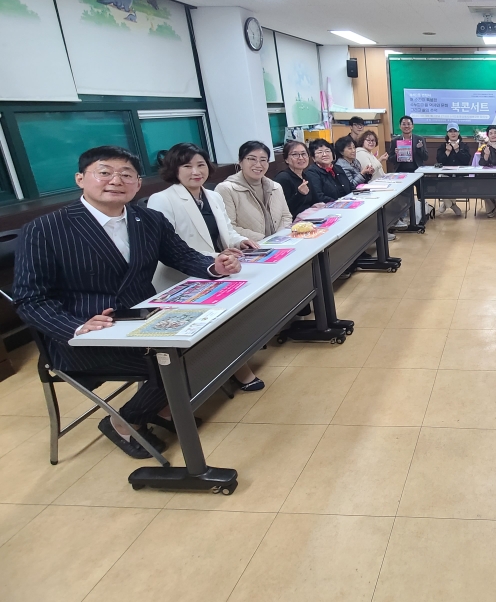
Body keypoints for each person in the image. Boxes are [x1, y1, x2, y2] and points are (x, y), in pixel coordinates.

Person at [12, 146, 242, 458]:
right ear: (81, 179)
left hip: (143, 319)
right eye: (104, 172)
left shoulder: (148, 219)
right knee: (176, 363)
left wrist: (215, 267)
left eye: (127, 174)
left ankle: (159, 411)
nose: (116, 180)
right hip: (86, 335)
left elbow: (182, 256)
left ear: (137, 184)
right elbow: (30, 299)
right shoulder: (45, 229)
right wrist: (75, 326)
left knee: (212, 343)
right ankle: (122, 423)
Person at [147, 144, 265, 393]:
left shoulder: (212, 196)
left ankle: (231, 364)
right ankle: (232, 369)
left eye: (200, 164)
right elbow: (172, 248)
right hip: (180, 277)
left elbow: (227, 232)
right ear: (174, 170)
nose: (195, 171)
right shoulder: (162, 199)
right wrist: (216, 256)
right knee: (223, 319)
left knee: (240, 310)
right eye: (187, 166)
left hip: (217, 269)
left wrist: (238, 242)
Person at [216, 140, 294, 241]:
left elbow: (286, 216)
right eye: (252, 159)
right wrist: (265, 240)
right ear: (240, 162)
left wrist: (278, 238)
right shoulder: (226, 189)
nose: (258, 165)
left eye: (263, 160)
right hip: (247, 249)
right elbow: (229, 227)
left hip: (280, 244)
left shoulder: (275, 187)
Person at [274, 140, 323, 219]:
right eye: (295, 155)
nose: (301, 158)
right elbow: (284, 211)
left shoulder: (306, 176)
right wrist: (299, 194)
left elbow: (315, 200)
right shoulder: (283, 178)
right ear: (286, 159)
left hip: (310, 218)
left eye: (304, 154)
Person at [304, 138, 354, 203]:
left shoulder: (337, 168)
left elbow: (350, 187)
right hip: (330, 207)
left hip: (348, 203)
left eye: (327, 151)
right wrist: (340, 202)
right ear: (313, 158)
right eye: (320, 152)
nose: (325, 154)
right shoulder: (312, 173)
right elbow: (319, 197)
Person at [436, 122, 470, 216]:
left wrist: (457, 151)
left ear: (458, 133)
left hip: (460, 175)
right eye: (450, 131)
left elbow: (466, 160)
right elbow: (439, 161)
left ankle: (446, 203)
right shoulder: (443, 146)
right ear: (447, 134)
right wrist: (447, 151)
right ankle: (452, 205)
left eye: (455, 131)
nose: (453, 133)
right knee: (441, 185)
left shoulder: (464, 146)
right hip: (446, 174)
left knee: (456, 186)